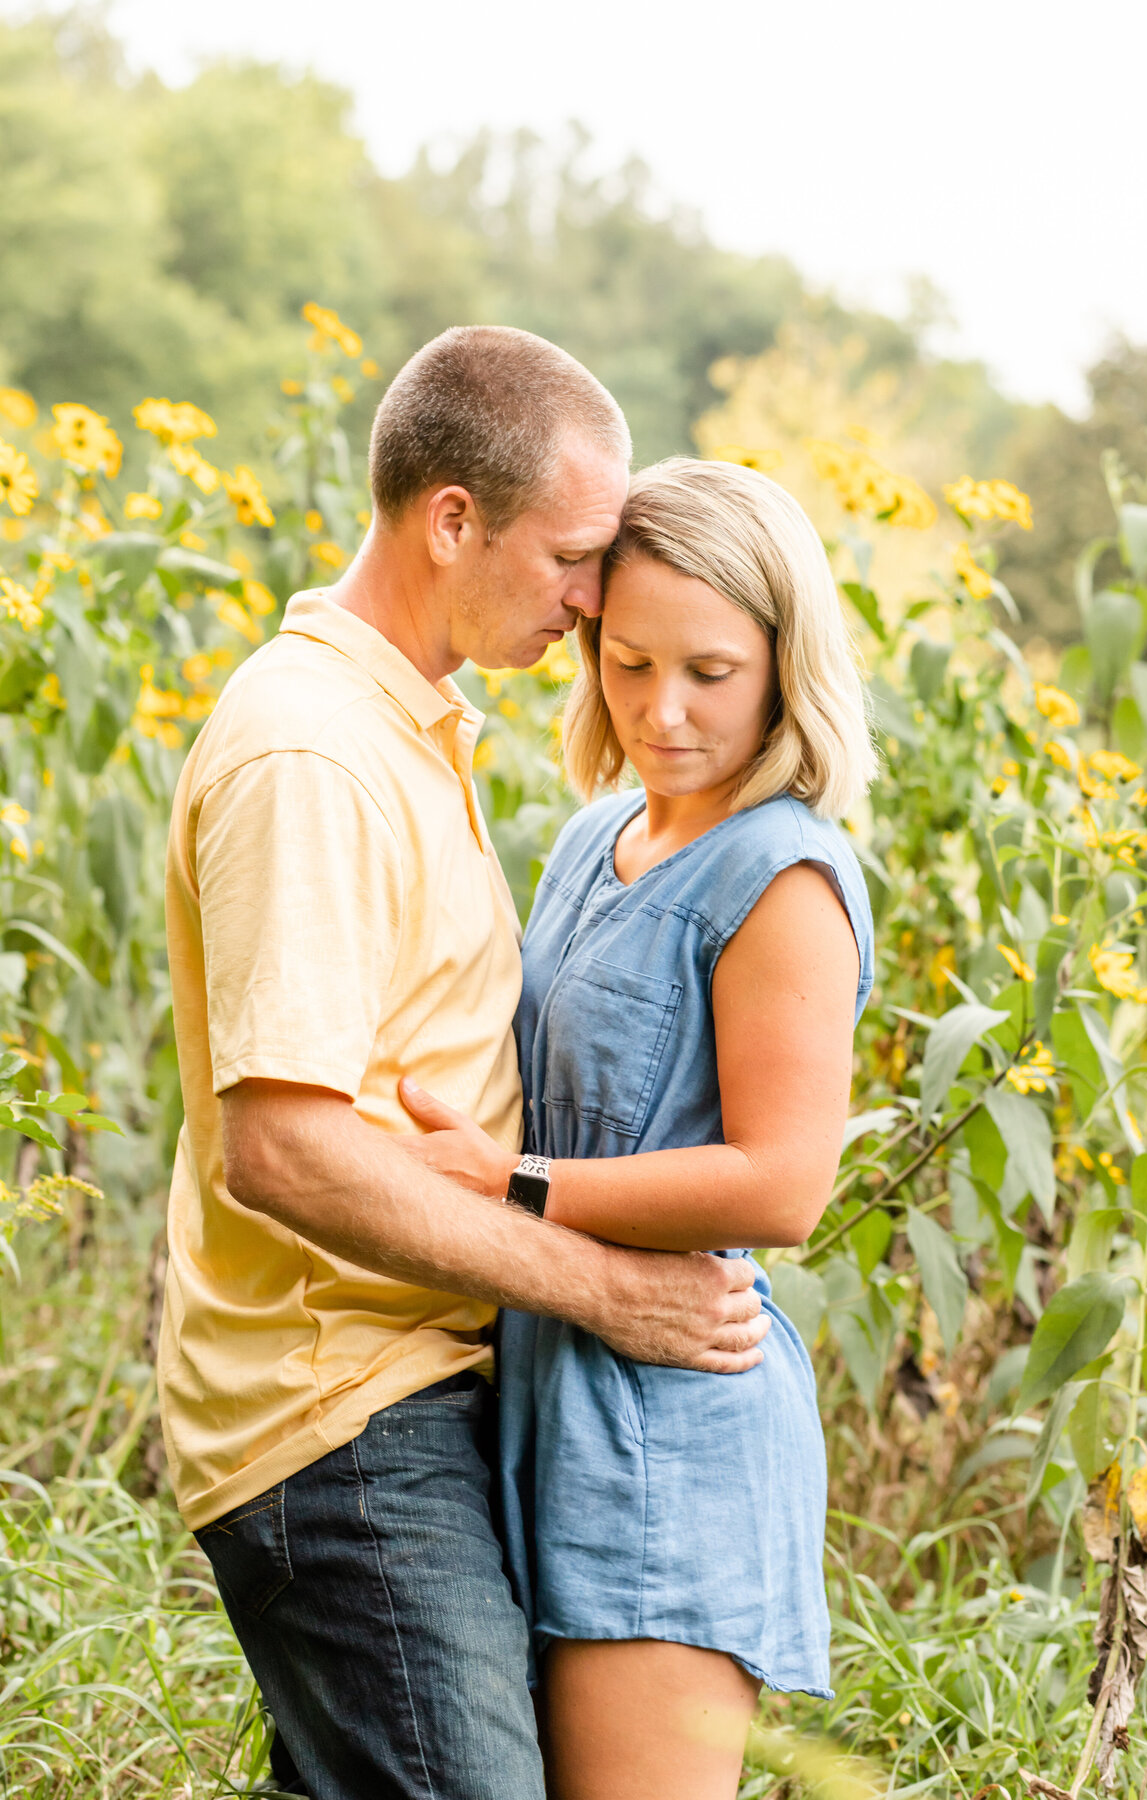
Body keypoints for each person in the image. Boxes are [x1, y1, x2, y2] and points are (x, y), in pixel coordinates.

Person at [159, 330, 772, 1800]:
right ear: (451, 520)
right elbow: (284, 1147)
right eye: (572, 556)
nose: (590, 595)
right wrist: (606, 1287)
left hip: (416, 1393)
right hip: (341, 1416)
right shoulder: (313, 754)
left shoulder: (402, 732)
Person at [400, 456, 877, 1800]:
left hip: (673, 1411)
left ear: (788, 663)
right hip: (545, 1379)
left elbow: (782, 1183)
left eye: (711, 673)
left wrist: (511, 1184)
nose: (661, 711)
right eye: (628, 662)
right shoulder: (598, 833)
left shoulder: (780, 873)